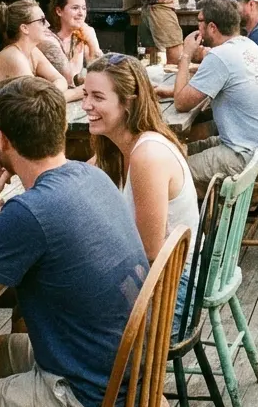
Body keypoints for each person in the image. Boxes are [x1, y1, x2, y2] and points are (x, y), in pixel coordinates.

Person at [0, 76, 150, 407]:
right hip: (123, 375)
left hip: (85, 403)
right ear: (62, 127)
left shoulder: (29, 212)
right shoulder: (93, 176)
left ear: (0, 139)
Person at [83, 53, 198, 321]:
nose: (86, 105)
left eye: (98, 97)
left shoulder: (147, 155)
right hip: (154, 280)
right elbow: (74, 179)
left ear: (128, 104)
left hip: (171, 293)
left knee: (49, 303)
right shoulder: (113, 148)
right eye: (85, 94)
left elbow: (149, 252)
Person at [172, 0, 258, 185]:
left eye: (200, 22)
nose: (197, 27)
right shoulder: (248, 45)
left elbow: (181, 103)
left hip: (247, 157)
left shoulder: (220, 56)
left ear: (212, 27)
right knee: (175, 153)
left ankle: (197, 210)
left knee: (171, 171)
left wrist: (186, 54)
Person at [0, 0, 84, 161]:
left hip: (19, 130)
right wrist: (79, 92)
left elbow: (60, 79)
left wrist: (51, 92)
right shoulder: (14, 57)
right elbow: (37, 103)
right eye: (42, 20)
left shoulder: (32, 51)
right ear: (24, 28)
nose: (48, 24)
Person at [41, 0, 102, 87]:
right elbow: (70, 79)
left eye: (84, 8)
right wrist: (91, 42)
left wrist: (93, 44)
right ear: (59, 11)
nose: (81, 13)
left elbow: (101, 72)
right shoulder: (48, 39)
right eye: (75, 8)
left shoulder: (81, 35)